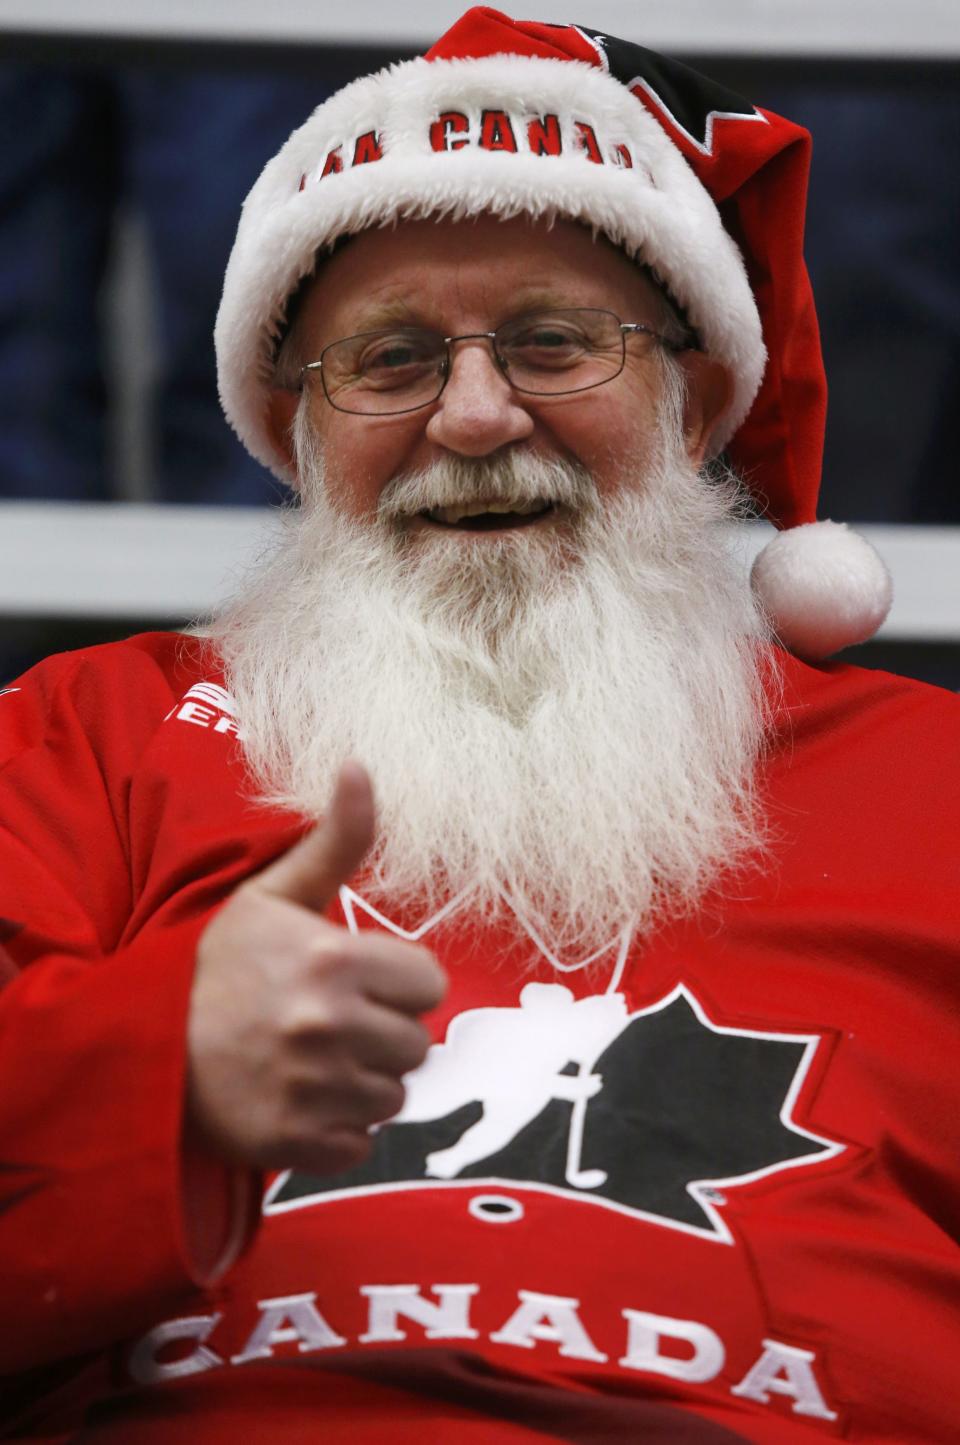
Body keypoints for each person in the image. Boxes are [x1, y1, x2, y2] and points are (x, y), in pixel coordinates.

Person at [1, 9, 957, 1442]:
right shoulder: (91, 733)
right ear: (299, 431)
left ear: (696, 404)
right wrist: (159, 1065)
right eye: (385, 362)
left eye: (554, 344)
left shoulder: (931, 776)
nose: (471, 413)